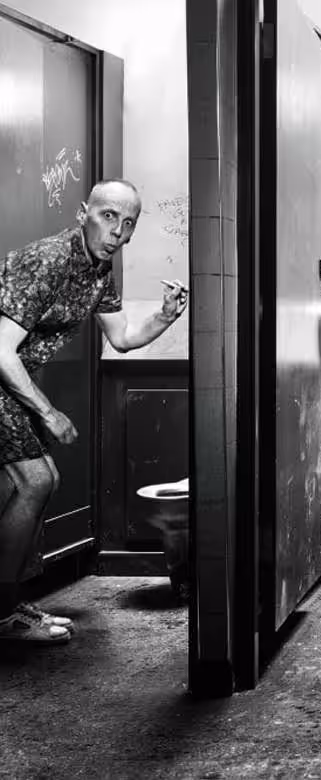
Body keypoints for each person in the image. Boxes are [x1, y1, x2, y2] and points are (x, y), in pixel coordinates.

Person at [0, 179, 188, 645]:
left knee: (33, 482)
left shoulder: (99, 269)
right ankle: (3, 614)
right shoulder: (48, 260)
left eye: (128, 223)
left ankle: (7, 604)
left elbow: (121, 338)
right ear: (84, 212)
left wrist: (165, 316)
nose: (117, 232)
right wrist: (48, 413)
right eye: (108, 217)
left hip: (10, 383)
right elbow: (1, 350)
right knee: (35, 481)